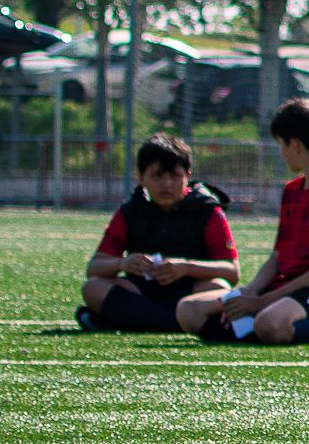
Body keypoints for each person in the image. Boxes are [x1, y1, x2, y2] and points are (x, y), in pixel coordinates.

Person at [186, 99, 309, 344]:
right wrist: (250, 292)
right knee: (189, 311)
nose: (281, 153)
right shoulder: (292, 191)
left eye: (280, 145)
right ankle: (255, 330)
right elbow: (277, 257)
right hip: (285, 288)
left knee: (270, 323)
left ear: (293, 145)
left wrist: (260, 302)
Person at [78, 135, 238, 331]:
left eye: (174, 176)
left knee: (219, 288)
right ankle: (178, 323)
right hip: (140, 292)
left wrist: (186, 267)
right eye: (157, 176)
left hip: (190, 291)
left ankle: (123, 320)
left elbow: (231, 271)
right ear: (142, 178)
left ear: (188, 176)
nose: (167, 184)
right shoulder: (130, 211)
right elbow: (94, 267)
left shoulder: (208, 210)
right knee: (93, 287)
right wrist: (123, 263)